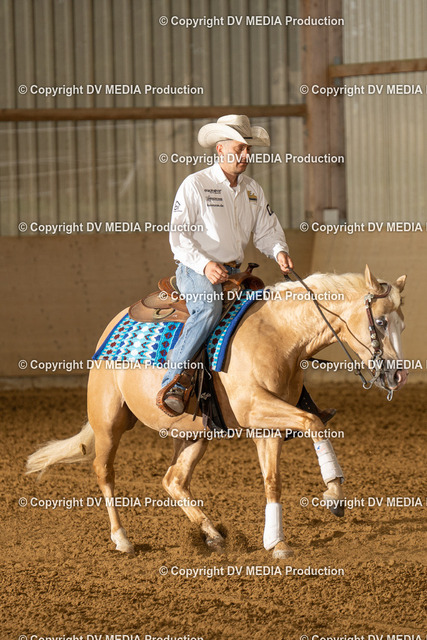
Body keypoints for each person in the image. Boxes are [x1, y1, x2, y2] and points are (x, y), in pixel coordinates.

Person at [157, 114, 293, 416]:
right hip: (196, 269)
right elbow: (179, 235)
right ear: (220, 149)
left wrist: (279, 251)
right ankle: (174, 381)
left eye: (248, 149)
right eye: (239, 148)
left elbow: (267, 231)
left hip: (234, 272)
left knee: (268, 319)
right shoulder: (196, 185)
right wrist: (205, 264)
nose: (245, 155)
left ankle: (288, 393)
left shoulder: (252, 190)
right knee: (208, 308)